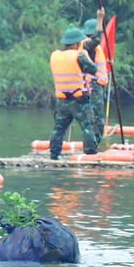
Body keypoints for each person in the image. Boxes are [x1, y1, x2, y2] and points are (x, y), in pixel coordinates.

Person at [47, 26, 99, 159]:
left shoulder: (54, 55)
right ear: (75, 44)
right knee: (88, 125)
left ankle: (54, 154)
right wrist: (87, 55)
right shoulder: (79, 56)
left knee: (58, 128)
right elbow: (93, 69)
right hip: (78, 100)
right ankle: (90, 154)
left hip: (62, 101)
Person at [79, 14, 109, 144]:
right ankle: (93, 145)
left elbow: (93, 62)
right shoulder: (87, 45)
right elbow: (97, 39)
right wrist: (100, 19)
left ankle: (93, 144)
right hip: (92, 87)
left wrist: (107, 61)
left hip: (94, 86)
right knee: (97, 120)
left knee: (95, 119)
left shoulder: (90, 47)